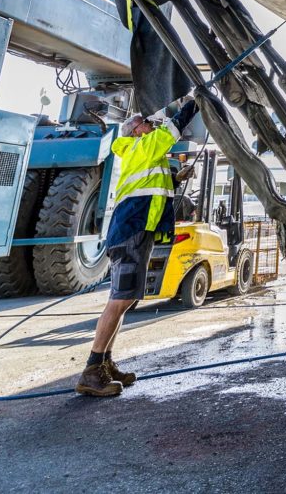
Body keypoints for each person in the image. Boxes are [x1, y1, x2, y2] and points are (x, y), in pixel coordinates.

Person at [74, 96, 199, 397]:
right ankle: (92, 370)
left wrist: (176, 178)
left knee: (125, 300)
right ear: (135, 130)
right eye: (146, 123)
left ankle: (104, 363)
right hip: (131, 232)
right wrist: (194, 104)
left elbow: (152, 185)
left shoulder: (142, 154)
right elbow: (171, 131)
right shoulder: (140, 147)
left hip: (135, 231)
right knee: (119, 301)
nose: (151, 124)